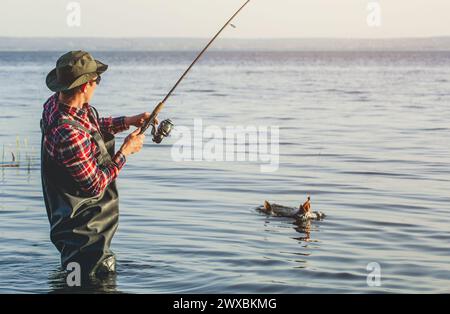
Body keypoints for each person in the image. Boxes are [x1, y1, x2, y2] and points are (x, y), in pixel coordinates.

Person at [40, 50, 155, 278]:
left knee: (81, 278)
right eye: (96, 81)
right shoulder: (68, 134)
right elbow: (95, 185)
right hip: (83, 230)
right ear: (85, 87)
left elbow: (89, 127)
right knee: (90, 279)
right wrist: (125, 151)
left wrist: (128, 121)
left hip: (80, 226)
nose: (97, 85)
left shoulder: (54, 104)